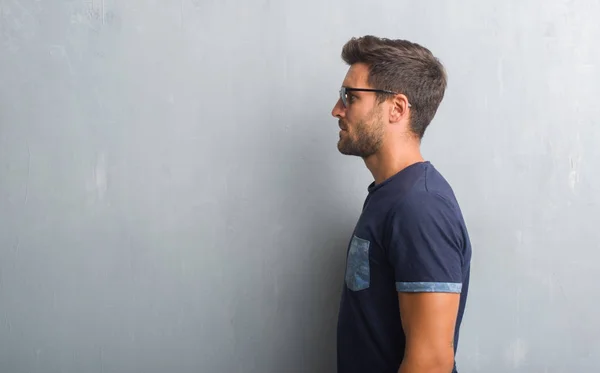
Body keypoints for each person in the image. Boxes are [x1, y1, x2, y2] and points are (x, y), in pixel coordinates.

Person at [331, 35, 472, 373]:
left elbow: (432, 363)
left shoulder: (420, 207)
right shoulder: (390, 195)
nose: (337, 109)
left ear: (396, 108)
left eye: (350, 96)